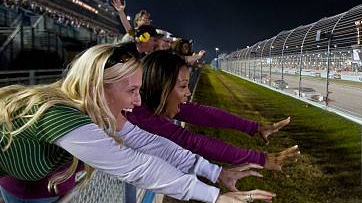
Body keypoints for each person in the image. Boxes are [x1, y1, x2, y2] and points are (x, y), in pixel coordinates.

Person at [0, 44, 274, 203]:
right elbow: (137, 167)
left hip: (17, 174)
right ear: (98, 87)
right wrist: (215, 197)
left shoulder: (92, 109)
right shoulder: (61, 116)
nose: (139, 101)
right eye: (132, 91)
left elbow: (153, 145)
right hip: (18, 180)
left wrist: (215, 173)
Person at [126, 50, 298, 169]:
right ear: (161, 87)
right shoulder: (139, 113)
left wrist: (254, 127)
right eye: (183, 86)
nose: (189, 92)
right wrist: (262, 159)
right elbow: (193, 141)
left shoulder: (148, 101)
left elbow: (204, 114)